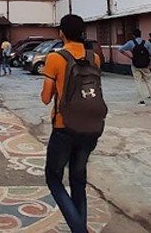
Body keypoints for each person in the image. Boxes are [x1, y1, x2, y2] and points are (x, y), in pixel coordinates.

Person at [41, 14, 101, 233]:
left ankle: (80, 230)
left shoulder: (55, 58)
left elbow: (46, 98)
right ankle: (80, 226)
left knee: (54, 178)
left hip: (63, 127)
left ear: (61, 33)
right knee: (78, 180)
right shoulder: (94, 57)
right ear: (83, 33)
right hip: (91, 127)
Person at [119, 29, 151, 105]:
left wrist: (130, 57)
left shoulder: (131, 43)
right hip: (146, 65)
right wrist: (148, 62)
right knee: (149, 82)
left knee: (138, 83)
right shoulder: (146, 43)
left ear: (133, 35)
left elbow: (120, 49)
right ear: (141, 34)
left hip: (135, 65)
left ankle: (141, 101)